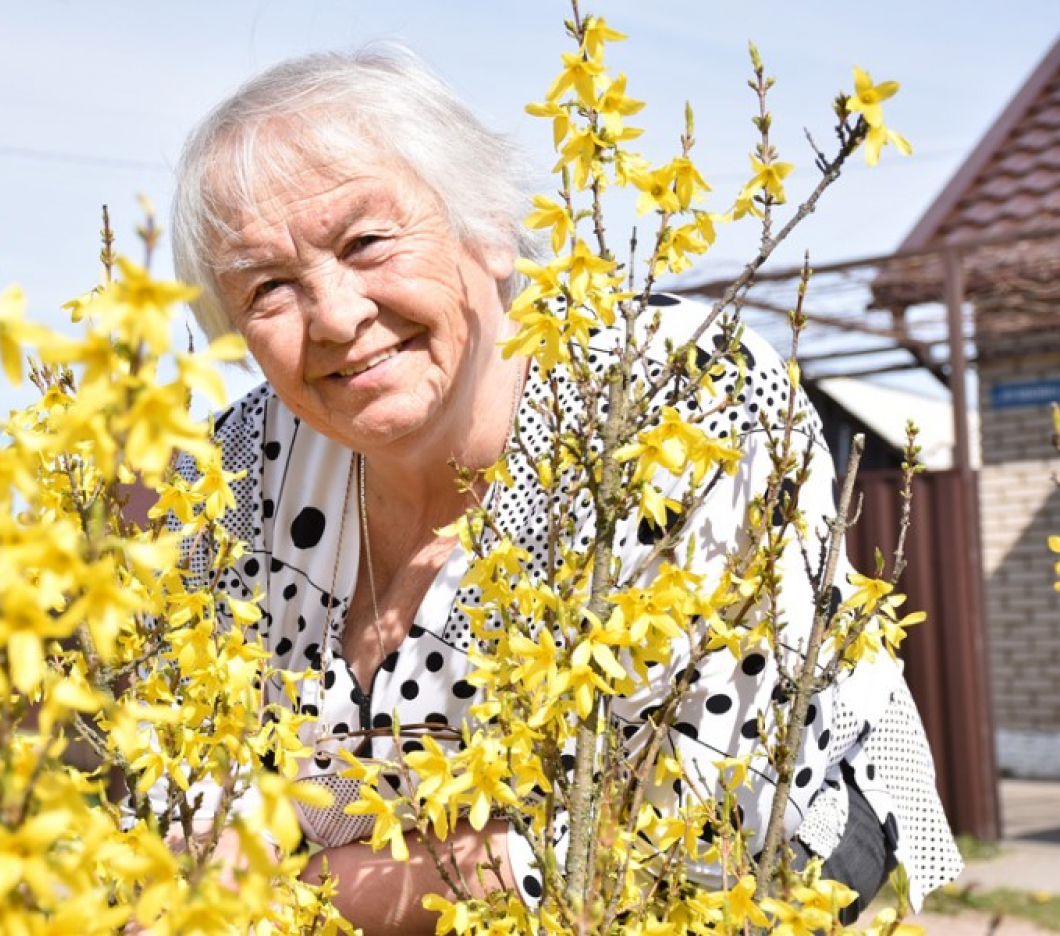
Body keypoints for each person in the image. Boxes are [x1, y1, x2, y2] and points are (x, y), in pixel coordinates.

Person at [164, 47, 962, 932]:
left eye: (366, 242)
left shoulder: (681, 398)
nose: (338, 317)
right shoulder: (235, 466)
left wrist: (298, 895)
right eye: (268, 287)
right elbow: (201, 782)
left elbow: (688, 833)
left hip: (750, 847)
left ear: (490, 229)